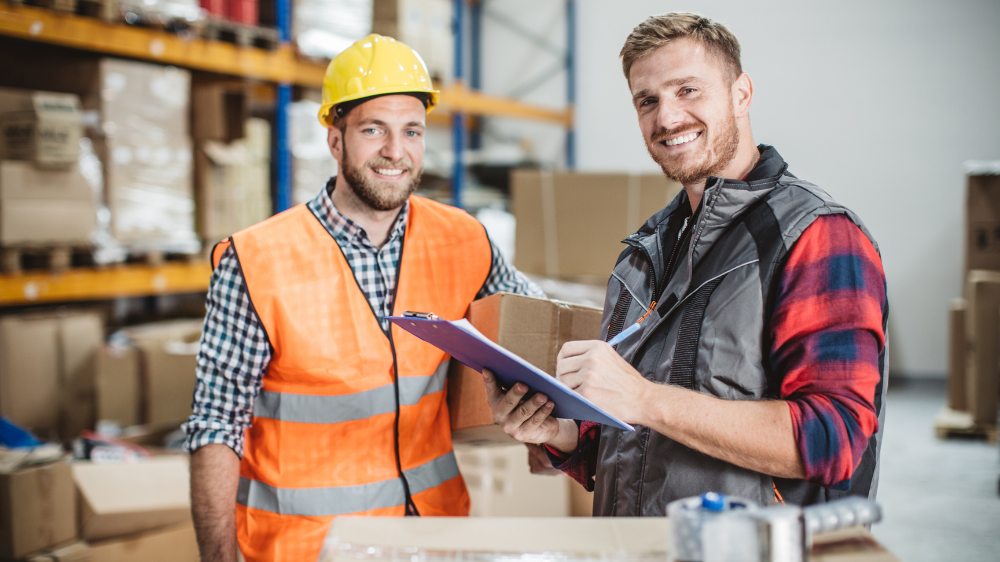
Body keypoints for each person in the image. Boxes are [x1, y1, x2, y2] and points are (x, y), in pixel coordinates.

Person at [485, 12, 888, 515]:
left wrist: (645, 398)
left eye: (687, 91)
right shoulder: (644, 250)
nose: (667, 119)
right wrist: (560, 434)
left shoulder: (815, 236)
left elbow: (836, 439)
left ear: (741, 94)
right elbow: (626, 451)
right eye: (647, 101)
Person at [184, 34, 543, 562]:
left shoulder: (463, 240)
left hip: (433, 537)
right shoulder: (257, 261)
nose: (395, 152)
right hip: (308, 547)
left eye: (411, 131)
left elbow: (536, 331)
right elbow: (216, 424)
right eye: (374, 130)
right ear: (336, 140)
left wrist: (556, 432)